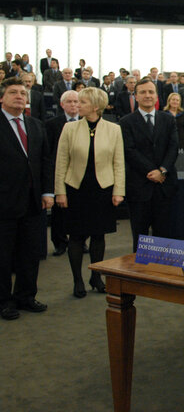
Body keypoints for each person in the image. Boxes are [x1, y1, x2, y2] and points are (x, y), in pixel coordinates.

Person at [54, 88, 124, 298]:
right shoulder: (69, 128)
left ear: (95, 106)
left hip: (102, 189)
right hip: (75, 189)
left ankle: (96, 277)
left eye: (82, 102)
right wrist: (60, 192)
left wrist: (119, 191)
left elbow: (118, 163)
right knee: (75, 236)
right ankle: (78, 281)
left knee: (98, 235)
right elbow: (61, 162)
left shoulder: (114, 129)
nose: (77, 105)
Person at [0, 77, 53, 320]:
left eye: (23, 92)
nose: (19, 96)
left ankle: (25, 296)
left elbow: (45, 162)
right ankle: (3, 302)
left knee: (30, 253)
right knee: (3, 255)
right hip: (4, 203)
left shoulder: (35, 125)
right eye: (13, 92)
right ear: (2, 97)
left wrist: (47, 192)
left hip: (33, 202)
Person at [119, 78, 178, 252]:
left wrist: (162, 170)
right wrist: (151, 171)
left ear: (156, 95)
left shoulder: (168, 120)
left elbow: (173, 147)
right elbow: (129, 151)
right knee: (140, 237)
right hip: (139, 187)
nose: (147, 95)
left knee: (165, 236)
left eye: (151, 92)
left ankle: (163, 274)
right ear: (135, 96)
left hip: (164, 186)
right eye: (143, 92)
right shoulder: (126, 122)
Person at [46, 90, 80, 257]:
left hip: (79, 174)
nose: (73, 105)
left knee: (79, 210)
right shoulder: (52, 124)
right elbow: (49, 151)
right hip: (59, 173)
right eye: (70, 102)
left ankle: (80, 240)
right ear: (62, 105)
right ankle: (59, 243)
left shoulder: (87, 122)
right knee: (59, 212)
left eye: (76, 101)